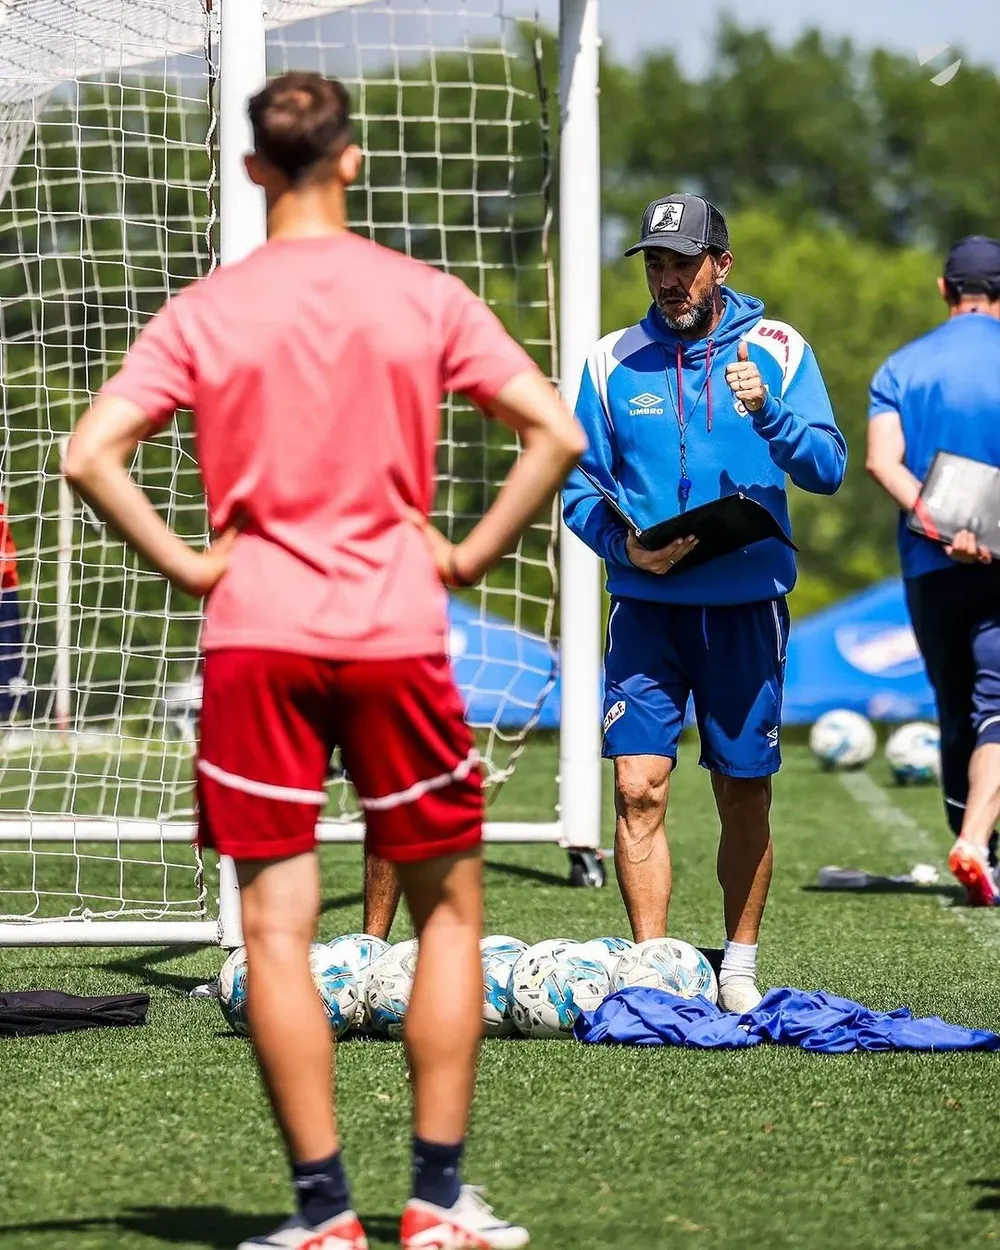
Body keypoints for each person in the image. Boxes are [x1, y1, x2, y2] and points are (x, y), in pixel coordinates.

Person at [64, 71, 585, 1250]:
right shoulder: (422, 296)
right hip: (398, 630)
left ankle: (321, 1216)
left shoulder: (207, 309)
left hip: (254, 634)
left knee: (276, 934)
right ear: (350, 160)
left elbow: (89, 452)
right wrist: (462, 556)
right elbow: (552, 429)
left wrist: (194, 567)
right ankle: (439, 1200)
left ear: (255, 170)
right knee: (450, 916)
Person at [562, 193, 846, 1013]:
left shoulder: (781, 349)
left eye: (683, 263)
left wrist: (773, 413)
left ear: (721, 264)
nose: (668, 280)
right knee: (637, 787)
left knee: (741, 788)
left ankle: (740, 966)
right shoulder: (608, 360)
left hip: (746, 607)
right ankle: (652, 970)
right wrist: (625, 548)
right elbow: (579, 484)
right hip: (646, 607)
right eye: (655, 263)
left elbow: (826, 467)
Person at [867, 235, 1000, 907]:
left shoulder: (900, 366)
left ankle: (971, 838)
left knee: (954, 705)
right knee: (997, 704)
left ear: (944, 290)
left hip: (929, 558)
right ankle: (978, 842)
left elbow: (881, 462)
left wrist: (945, 524)